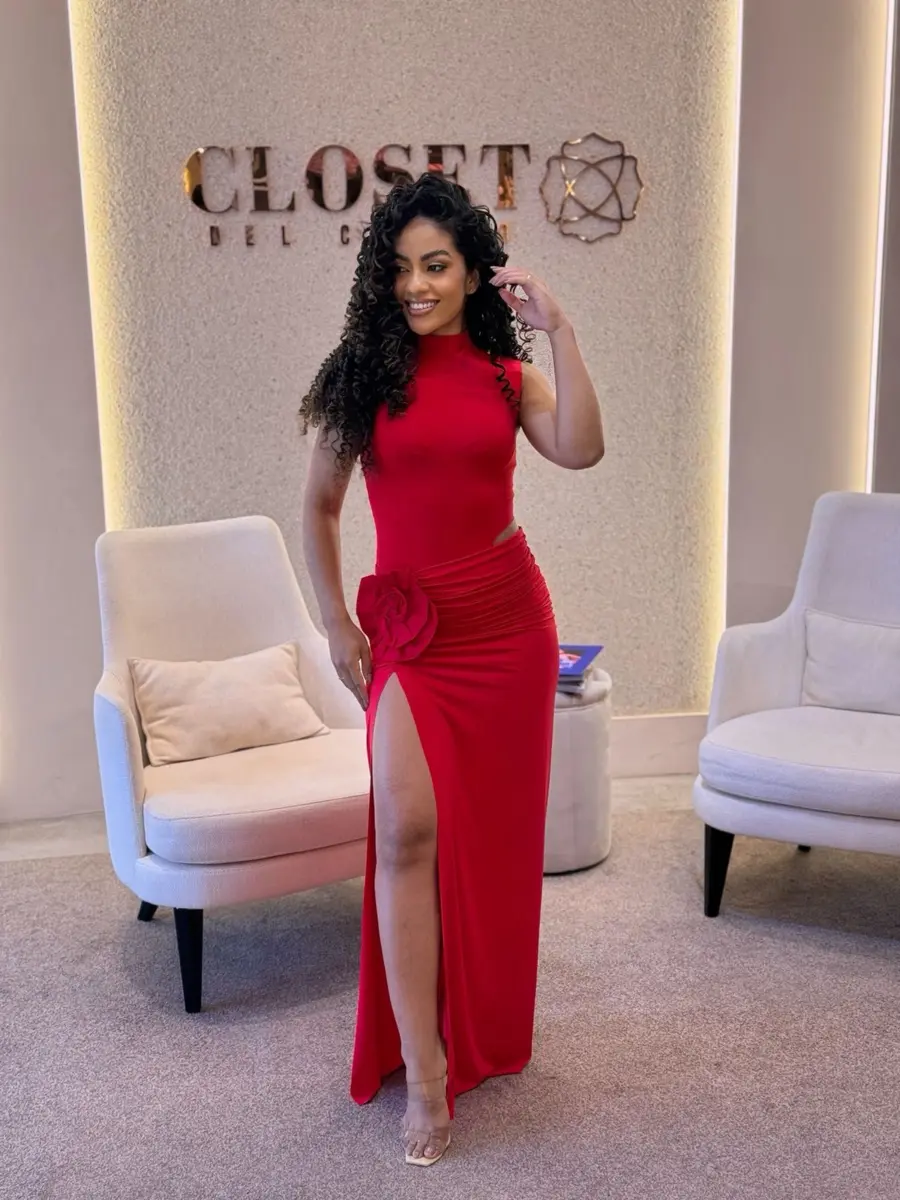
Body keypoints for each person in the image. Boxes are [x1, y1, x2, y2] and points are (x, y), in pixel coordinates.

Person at [299, 172, 604, 1166]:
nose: (417, 285)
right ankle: (425, 1073)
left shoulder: (508, 377)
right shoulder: (360, 377)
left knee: (492, 841)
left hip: (509, 627)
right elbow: (320, 509)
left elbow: (582, 451)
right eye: (400, 269)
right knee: (404, 833)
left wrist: (559, 329)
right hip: (412, 633)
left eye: (436, 266)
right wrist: (335, 622)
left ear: (474, 274)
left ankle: (480, 1021)